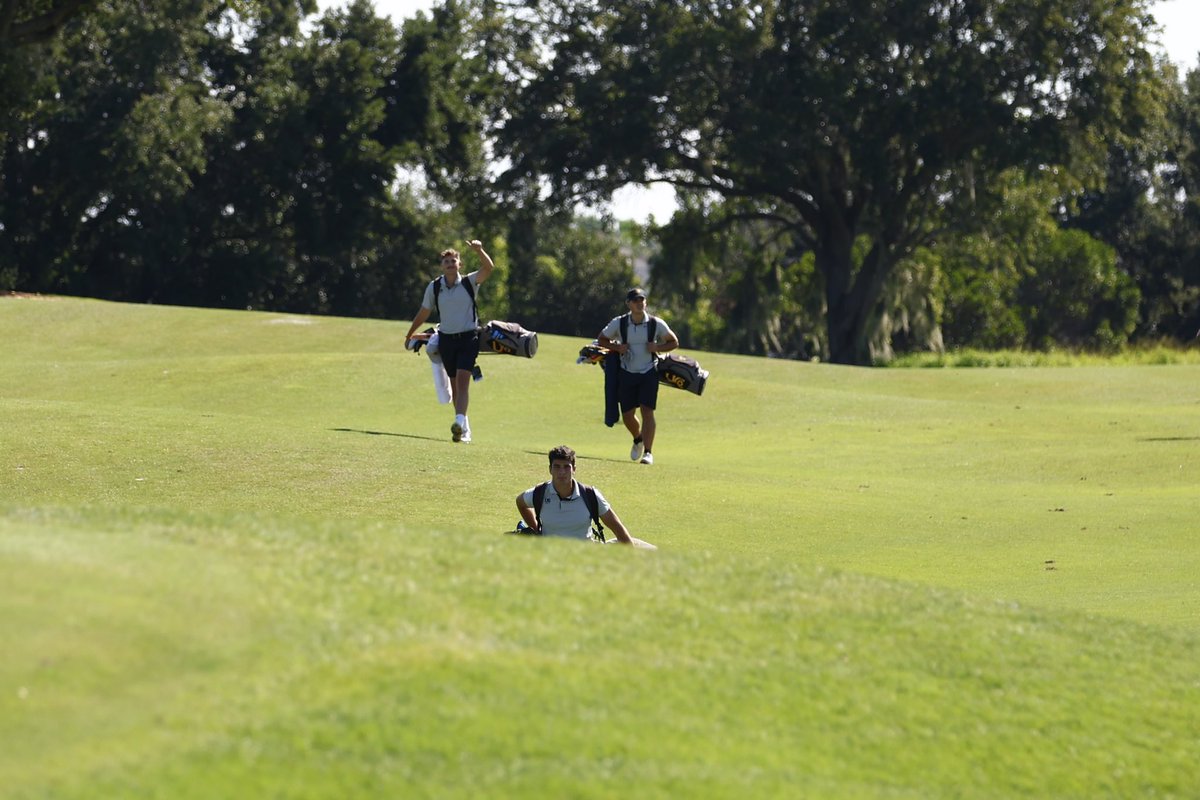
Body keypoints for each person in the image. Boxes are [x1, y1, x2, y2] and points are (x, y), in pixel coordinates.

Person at [405, 239, 494, 443]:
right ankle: (464, 428)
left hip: (468, 338)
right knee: (454, 386)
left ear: (459, 265)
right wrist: (410, 333)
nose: (450, 264)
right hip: (446, 340)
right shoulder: (435, 287)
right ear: (442, 266)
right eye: (446, 261)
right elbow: (424, 311)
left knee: (463, 383)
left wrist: (480, 250)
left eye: (453, 260)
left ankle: (459, 422)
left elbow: (488, 268)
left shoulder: (469, 282)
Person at [597, 288, 679, 465]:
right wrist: (617, 348)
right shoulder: (619, 323)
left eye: (642, 300)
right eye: (635, 300)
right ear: (628, 304)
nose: (639, 303)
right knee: (627, 415)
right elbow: (601, 339)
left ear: (645, 303)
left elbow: (673, 342)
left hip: (649, 372)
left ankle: (648, 453)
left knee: (647, 412)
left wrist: (656, 348)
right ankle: (637, 438)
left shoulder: (655, 323)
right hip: (626, 372)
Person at [515, 445, 644, 545]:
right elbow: (520, 502)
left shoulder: (590, 495)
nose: (562, 472)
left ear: (574, 469)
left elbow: (617, 527)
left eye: (567, 467)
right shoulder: (540, 493)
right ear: (550, 469)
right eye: (557, 467)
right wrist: (535, 529)